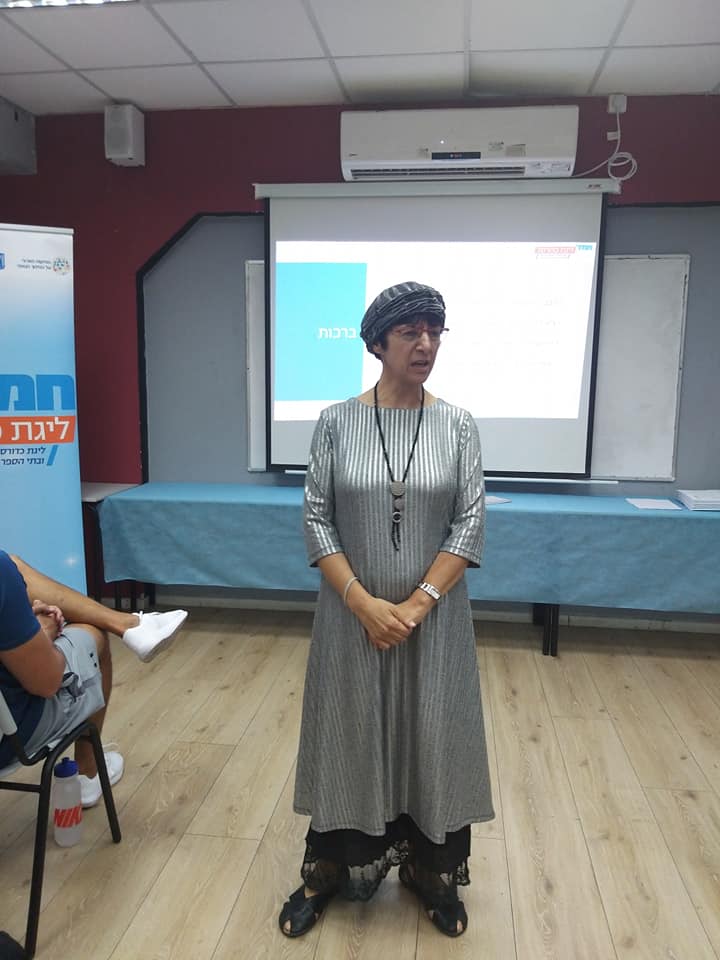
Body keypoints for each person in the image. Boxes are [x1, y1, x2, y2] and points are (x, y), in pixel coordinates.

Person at [279, 281, 493, 939]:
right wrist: (365, 604)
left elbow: (470, 521)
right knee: (350, 734)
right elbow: (317, 519)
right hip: (352, 621)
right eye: (410, 332)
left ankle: (431, 872)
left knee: (432, 734)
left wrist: (417, 605)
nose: (425, 344)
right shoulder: (335, 422)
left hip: (434, 623)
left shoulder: (458, 425)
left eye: (435, 331)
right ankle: (329, 872)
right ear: (377, 343)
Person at [0, 551, 187, 806]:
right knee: (93, 631)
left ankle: (129, 624)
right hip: (12, 736)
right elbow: (47, 683)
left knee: (12, 565)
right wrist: (41, 632)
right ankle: (87, 774)